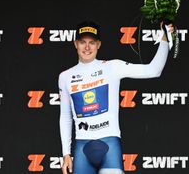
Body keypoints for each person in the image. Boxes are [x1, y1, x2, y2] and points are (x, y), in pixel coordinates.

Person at [59, 21, 173, 174]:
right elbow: (65, 116)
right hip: (82, 147)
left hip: (110, 144)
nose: (87, 47)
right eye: (82, 42)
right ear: (75, 44)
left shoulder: (112, 67)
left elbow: (154, 70)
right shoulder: (65, 77)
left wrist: (165, 38)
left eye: (92, 42)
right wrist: (66, 153)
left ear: (98, 44)